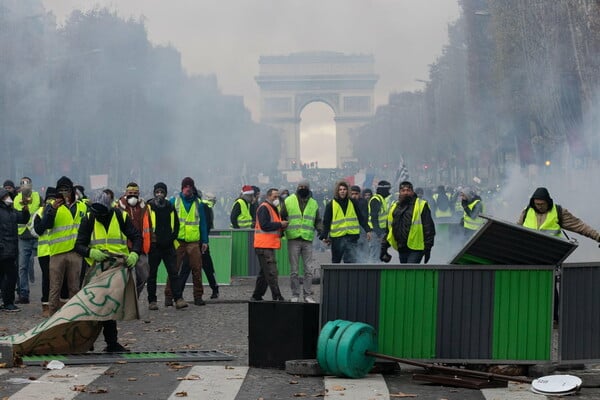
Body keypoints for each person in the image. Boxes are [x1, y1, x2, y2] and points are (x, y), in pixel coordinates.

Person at [517, 187, 600, 326]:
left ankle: (554, 318)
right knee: (529, 286)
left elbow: (580, 226)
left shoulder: (559, 212)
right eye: (537, 204)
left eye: (542, 204)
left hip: (550, 256)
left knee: (550, 286)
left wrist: (598, 237)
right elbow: (517, 231)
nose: (540, 207)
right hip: (529, 255)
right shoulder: (526, 211)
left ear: (548, 202)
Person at [75, 190, 142, 352]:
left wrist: (134, 253)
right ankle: (88, 341)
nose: (99, 216)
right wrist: (91, 252)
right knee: (92, 306)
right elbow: (78, 245)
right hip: (96, 268)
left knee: (109, 307)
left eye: (102, 214)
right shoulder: (89, 219)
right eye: (96, 214)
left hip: (116, 268)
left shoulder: (120, 216)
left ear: (108, 209)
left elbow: (137, 237)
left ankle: (111, 343)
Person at [38, 176, 88, 316]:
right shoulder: (51, 206)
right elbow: (43, 226)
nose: (65, 192)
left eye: (67, 189)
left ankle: (73, 317)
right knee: (55, 288)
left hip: (75, 253)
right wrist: (52, 209)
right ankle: (53, 318)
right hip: (57, 253)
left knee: (74, 288)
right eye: (61, 190)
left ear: (72, 190)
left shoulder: (82, 206)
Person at [144, 182, 186, 310]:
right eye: (157, 192)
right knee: (151, 275)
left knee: (173, 274)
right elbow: (145, 225)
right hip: (154, 246)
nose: (159, 194)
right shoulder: (149, 206)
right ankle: (152, 301)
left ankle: (178, 299)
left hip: (168, 246)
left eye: (162, 192)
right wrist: (150, 240)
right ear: (154, 193)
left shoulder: (170, 206)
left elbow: (177, 224)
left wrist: (172, 237)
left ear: (166, 194)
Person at [280, 180, 322, 303]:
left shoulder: (313, 203)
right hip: (293, 238)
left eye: (304, 187)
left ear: (308, 189)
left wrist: (321, 231)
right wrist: (281, 229)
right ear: (297, 188)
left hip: (307, 239)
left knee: (308, 269)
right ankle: (295, 294)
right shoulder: (289, 200)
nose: (302, 188)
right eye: (300, 186)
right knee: (294, 270)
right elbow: (281, 216)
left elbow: (317, 220)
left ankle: (307, 295)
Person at [170, 177, 208, 306]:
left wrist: (205, 241)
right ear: (182, 188)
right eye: (185, 186)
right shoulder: (174, 201)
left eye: (189, 186)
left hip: (193, 241)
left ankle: (198, 297)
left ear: (192, 188)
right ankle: (169, 296)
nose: (187, 188)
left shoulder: (198, 203)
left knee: (197, 269)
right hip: (177, 240)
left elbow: (203, 223)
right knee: (173, 269)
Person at [381, 181, 435, 264]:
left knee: (410, 271)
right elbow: (389, 229)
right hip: (401, 246)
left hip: (416, 248)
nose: (406, 193)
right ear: (399, 192)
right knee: (405, 273)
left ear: (412, 192)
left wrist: (428, 248)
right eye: (403, 190)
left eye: (408, 190)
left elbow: (429, 228)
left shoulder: (421, 205)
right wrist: (384, 247)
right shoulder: (394, 207)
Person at [319, 180, 372, 263]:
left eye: (344, 189)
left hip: (351, 236)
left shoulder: (353, 203)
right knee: (336, 261)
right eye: (340, 189)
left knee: (350, 261)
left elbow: (360, 218)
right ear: (337, 191)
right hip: (337, 238)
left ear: (347, 191)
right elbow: (326, 222)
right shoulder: (331, 205)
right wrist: (325, 236)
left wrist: (367, 230)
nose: (342, 191)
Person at [251, 188, 288, 301]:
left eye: (278, 196)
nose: (277, 199)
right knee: (271, 272)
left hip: (266, 245)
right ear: (268, 196)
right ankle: (277, 296)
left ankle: (257, 295)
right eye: (274, 196)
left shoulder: (271, 208)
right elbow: (265, 225)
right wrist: (280, 224)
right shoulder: (264, 208)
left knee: (264, 273)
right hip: (264, 245)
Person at [117, 182, 150, 297]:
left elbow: (148, 226)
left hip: (140, 246)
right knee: (122, 278)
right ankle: (124, 299)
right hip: (123, 247)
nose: (133, 196)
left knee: (144, 275)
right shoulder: (118, 207)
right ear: (125, 193)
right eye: (130, 193)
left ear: (139, 194)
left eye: (135, 193)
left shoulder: (144, 207)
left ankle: (134, 296)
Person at [0, 187, 30, 312]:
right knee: (9, 277)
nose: (8, 199)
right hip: (3, 249)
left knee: (10, 277)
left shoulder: (12, 211)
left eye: (9, 196)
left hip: (11, 250)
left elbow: (23, 219)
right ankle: (8, 303)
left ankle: (7, 302)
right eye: (5, 197)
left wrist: (25, 209)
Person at [14, 177, 41, 303]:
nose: (25, 186)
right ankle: (24, 294)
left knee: (45, 265)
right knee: (22, 267)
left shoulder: (37, 197)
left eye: (27, 183)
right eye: (22, 183)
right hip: (23, 236)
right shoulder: (16, 199)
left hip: (36, 235)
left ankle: (46, 293)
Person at [31, 187, 57, 317]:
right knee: (47, 278)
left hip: (58, 250)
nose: (51, 201)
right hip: (44, 252)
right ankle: (45, 305)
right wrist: (48, 214)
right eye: (49, 198)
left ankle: (56, 304)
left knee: (58, 279)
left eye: (53, 198)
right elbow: (38, 230)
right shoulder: (39, 213)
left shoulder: (60, 211)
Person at [367, 180, 392, 263]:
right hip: (375, 233)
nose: (389, 192)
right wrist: (378, 234)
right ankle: (372, 273)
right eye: (388, 190)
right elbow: (374, 218)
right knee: (374, 256)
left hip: (380, 232)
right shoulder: (376, 200)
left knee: (379, 255)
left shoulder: (382, 199)